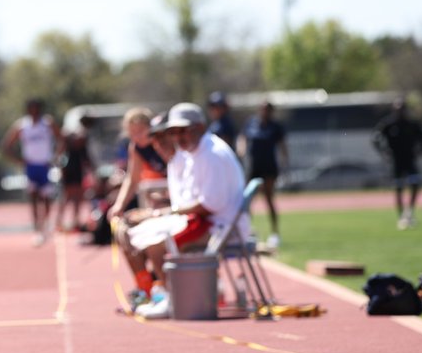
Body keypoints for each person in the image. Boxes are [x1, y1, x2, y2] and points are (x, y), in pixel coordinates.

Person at [119, 103, 247, 319]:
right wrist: (162, 212)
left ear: (200, 127)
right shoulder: (196, 152)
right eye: (174, 132)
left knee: (155, 243)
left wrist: (161, 213)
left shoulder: (211, 154)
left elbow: (208, 206)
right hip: (208, 221)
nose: (178, 137)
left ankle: (171, 298)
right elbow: (190, 200)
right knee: (134, 232)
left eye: (183, 130)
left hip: (221, 227)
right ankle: (157, 293)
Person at [2, 99, 64, 246]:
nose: (34, 111)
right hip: (31, 167)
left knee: (47, 197)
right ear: (28, 110)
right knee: (34, 197)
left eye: (37, 108)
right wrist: (19, 161)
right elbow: (6, 145)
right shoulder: (22, 125)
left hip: (45, 165)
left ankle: (46, 223)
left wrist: (56, 156)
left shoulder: (47, 123)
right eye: (31, 108)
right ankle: (37, 227)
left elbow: (61, 139)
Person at [237, 101, 288, 249]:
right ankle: (246, 231)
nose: (265, 112)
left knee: (269, 199)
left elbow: (282, 145)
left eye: (268, 110)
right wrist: (242, 150)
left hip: (269, 167)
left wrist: (285, 163)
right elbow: (242, 138)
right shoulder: (251, 123)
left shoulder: (275, 127)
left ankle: (275, 233)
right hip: (254, 167)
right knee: (248, 200)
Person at [373, 98, 422, 229]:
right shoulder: (388, 124)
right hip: (396, 161)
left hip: (410, 159)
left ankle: (410, 211)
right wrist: (384, 151)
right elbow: (375, 138)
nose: (400, 112)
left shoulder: (412, 124)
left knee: (415, 184)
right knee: (399, 189)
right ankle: (401, 216)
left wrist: (420, 151)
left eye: (402, 109)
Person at [107, 107, 171, 223]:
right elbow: (132, 179)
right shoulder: (135, 147)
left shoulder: (162, 141)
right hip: (162, 188)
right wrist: (119, 205)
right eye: (132, 132)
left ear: (150, 128)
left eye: (140, 131)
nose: (137, 136)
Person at [58, 114, 95, 232]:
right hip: (71, 167)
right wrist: (90, 166)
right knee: (70, 195)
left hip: (74, 167)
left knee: (76, 196)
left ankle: (75, 220)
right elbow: (84, 154)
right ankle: (61, 221)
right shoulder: (79, 134)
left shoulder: (74, 133)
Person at [206, 91, 238, 155]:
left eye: (216, 107)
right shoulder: (215, 123)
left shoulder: (226, 124)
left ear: (224, 108)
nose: (213, 110)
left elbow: (224, 147)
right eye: (212, 107)